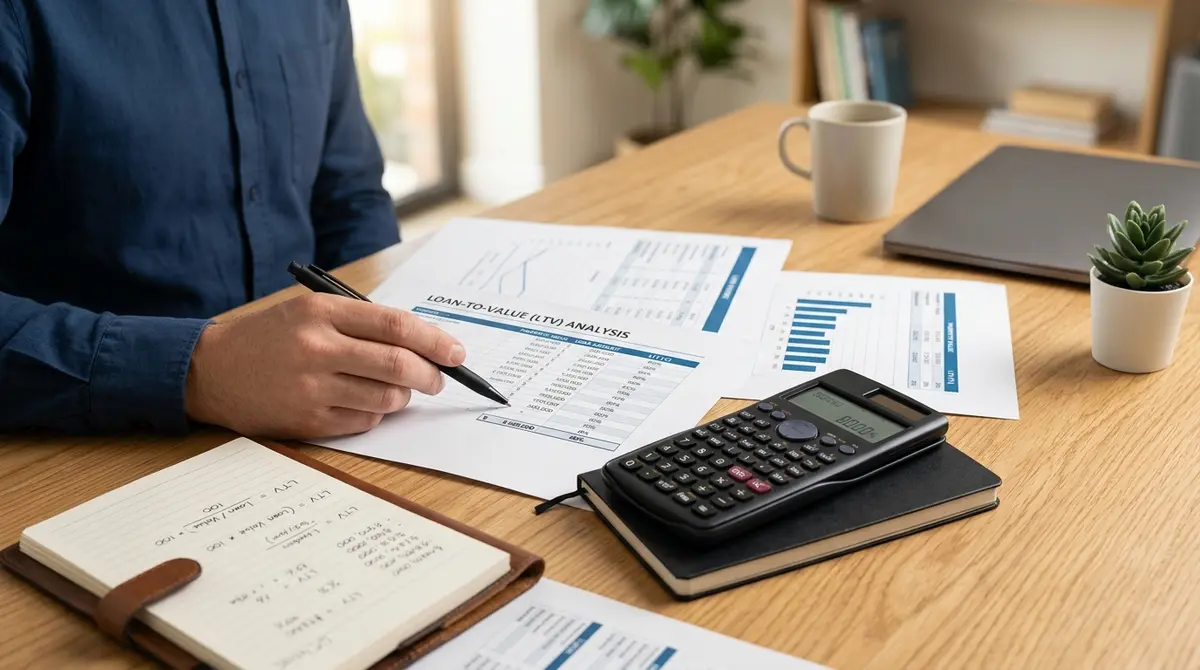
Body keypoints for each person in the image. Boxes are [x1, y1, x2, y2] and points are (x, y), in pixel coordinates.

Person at [0, 1, 464, 438]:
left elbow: (350, 194)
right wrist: (201, 371)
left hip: (328, 427)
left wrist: (375, 335)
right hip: (93, 441)